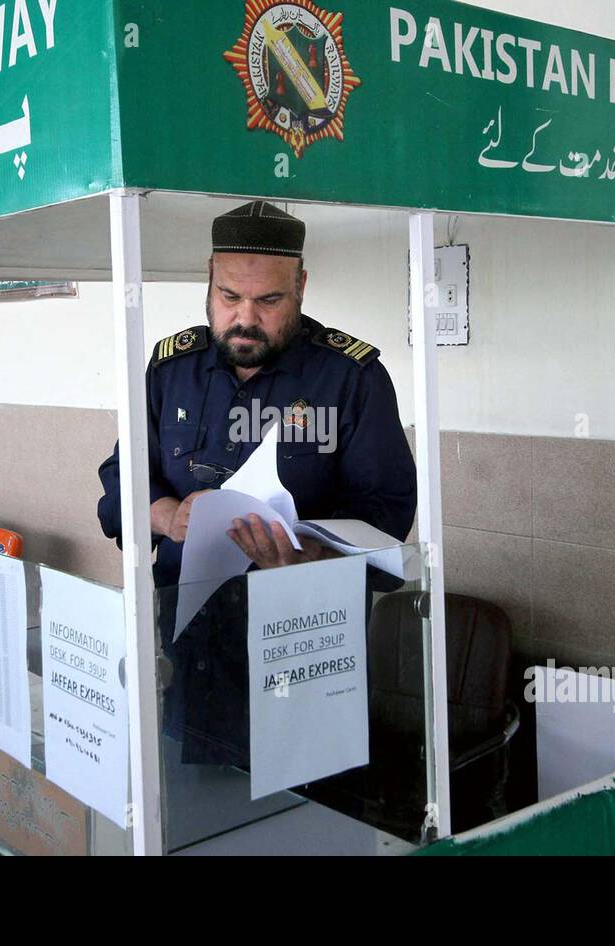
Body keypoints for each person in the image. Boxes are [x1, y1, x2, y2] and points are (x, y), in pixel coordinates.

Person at [97, 200, 416, 764]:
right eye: (229, 297)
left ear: (300, 286)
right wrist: (167, 515)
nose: (245, 318)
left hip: (304, 641)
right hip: (188, 644)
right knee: (193, 798)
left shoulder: (349, 378)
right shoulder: (171, 370)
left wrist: (310, 555)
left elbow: (386, 513)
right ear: (209, 280)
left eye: (268, 301)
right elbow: (122, 477)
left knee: (303, 794)